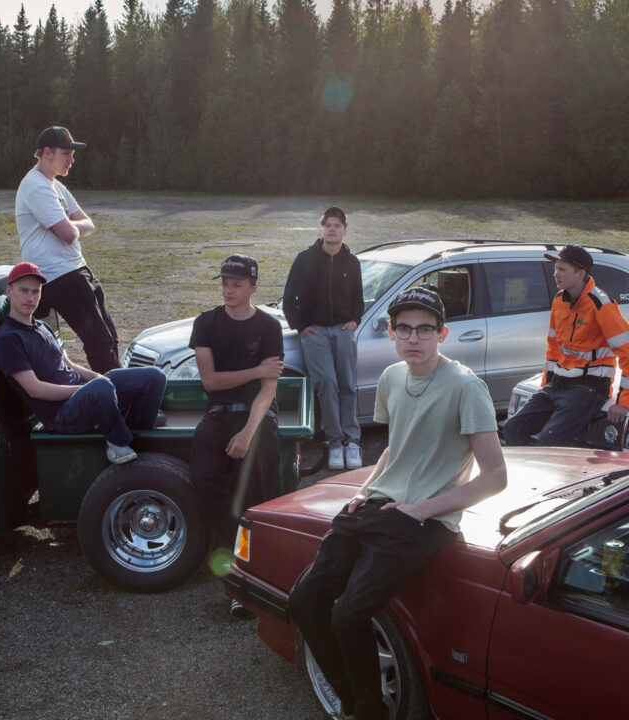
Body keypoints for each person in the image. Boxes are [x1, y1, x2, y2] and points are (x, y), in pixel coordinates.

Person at [288, 287, 507, 720]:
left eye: (424, 329)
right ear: (390, 333)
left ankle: (370, 712)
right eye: (404, 329)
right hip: (377, 504)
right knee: (303, 602)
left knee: (349, 615)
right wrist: (364, 489)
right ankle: (351, 700)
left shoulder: (466, 386)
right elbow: (396, 447)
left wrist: (422, 509)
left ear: (442, 334)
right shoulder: (391, 377)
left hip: (424, 519)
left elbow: (496, 477)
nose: (413, 338)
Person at [0, 262, 166, 465]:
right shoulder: (8, 339)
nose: (30, 298)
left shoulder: (42, 327)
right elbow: (34, 389)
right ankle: (117, 443)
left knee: (154, 377)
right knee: (100, 387)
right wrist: (87, 388)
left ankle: (137, 438)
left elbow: (69, 364)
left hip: (85, 394)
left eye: (35, 291)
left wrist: (95, 377)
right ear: (9, 291)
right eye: (24, 291)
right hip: (61, 414)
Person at [189, 254, 284, 595]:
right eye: (225, 284)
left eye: (237, 285)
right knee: (204, 481)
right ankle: (242, 550)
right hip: (218, 413)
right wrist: (257, 370)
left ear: (253, 288)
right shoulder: (206, 323)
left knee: (257, 497)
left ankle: (249, 579)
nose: (229, 291)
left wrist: (247, 433)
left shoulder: (269, 327)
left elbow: (268, 392)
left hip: (257, 417)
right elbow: (211, 382)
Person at [15, 125, 119, 374]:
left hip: (76, 269)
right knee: (99, 342)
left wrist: (70, 226)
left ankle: (124, 388)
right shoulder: (36, 186)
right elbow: (68, 234)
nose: (72, 160)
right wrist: (70, 227)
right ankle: (117, 395)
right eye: (66, 153)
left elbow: (88, 224)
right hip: (59, 276)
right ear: (47, 152)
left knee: (110, 337)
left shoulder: (56, 186)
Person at [504, 244, 629, 447]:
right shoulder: (559, 300)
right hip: (559, 383)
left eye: (562, 269)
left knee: (548, 441)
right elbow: (553, 347)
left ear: (581, 273)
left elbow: (627, 352)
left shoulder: (601, 305)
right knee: (512, 428)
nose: (555, 274)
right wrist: (546, 383)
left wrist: (624, 402)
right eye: (556, 268)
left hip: (590, 387)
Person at [283, 206, 364, 471]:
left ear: (344, 231)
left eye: (337, 225)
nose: (332, 229)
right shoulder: (305, 259)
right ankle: (335, 442)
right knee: (327, 384)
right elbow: (289, 298)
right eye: (328, 225)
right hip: (315, 332)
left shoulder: (352, 262)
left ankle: (352, 441)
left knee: (347, 385)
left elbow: (358, 299)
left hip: (343, 330)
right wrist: (301, 327)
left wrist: (354, 321)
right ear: (322, 229)